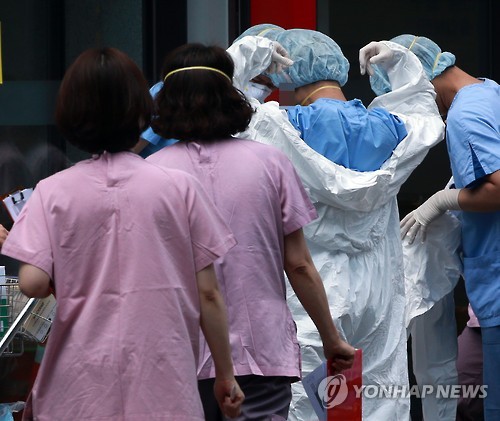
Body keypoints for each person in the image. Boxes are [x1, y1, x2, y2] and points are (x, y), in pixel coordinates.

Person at [1, 47, 244, 420]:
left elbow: (32, 283)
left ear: (71, 115)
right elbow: (209, 293)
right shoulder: (180, 188)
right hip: (164, 387)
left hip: (77, 392)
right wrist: (225, 375)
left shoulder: (51, 192)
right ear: (141, 113)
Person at [227, 29, 445, 420]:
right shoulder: (394, 129)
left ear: (288, 73)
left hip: (311, 287)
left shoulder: (276, 127)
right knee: (376, 395)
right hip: (376, 288)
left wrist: (252, 53)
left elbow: (224, 98)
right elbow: (423, 110)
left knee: (303, 399)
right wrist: (400, 61)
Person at [145, 42, 355, 420]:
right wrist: (331, 338)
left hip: (175, 353)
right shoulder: (270, 163)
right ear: (230, 96)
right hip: (259, 353)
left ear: (167, 101)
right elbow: (299, 264)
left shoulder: (150, 174)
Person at [383, 34, 500, 421]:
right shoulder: (489, 91)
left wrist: (442, 201)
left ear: (420, 82)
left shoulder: (465, 116)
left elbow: (497, 187)